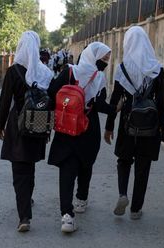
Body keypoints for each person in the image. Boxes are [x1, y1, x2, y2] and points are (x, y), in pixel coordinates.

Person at [48, 42, 122, 233]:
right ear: (95, 57)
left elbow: (52, 92)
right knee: (85, 164)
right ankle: (81, 198)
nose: (104, 63)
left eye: (107, 60)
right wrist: (116, 109)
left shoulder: (69, 72)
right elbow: (99, 105)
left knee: (67, 169)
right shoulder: (99, 78)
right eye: (103, 59)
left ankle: (67, 215)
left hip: (66, 126)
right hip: (88, 128)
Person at [104, 26, 164, 220]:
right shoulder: (156, 69)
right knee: (143, 165)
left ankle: (123, 194)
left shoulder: (123, 68)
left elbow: (115, 99)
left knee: (124, 160)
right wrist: (161, 126)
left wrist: (108, 126)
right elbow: (162, 100)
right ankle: (136, 209)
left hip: (127, 122)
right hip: (149, 123)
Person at [0, 31, 53, 232]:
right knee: (30, 166)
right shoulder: (44, 72)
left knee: (19, 169)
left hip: (17, 125)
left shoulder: (13, 72)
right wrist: (48, 128)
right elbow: (50, 102)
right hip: (37, 123)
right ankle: (27, 200)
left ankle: (24, 217)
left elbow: (4, 101)